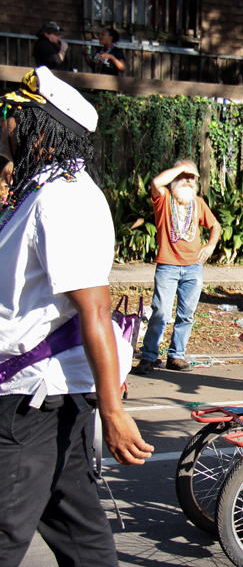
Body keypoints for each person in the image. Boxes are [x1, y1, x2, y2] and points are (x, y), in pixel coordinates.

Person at [0, 66, 153, 566]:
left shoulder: (63, 199)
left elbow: (95, 306)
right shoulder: (41, 192)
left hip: (33, 402)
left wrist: (113, 410)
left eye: (12, 114)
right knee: (81, 536)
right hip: (40, 399)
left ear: (41, 128)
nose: (4, 123)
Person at [135, 160, 221, 374]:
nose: (189, 180)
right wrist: (182, 169)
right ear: (175, 177)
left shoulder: (198, 203)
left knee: (187, 315)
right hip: (168, 267)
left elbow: (215, 226)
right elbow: (156, 182)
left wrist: (210, 246)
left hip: (193, 268)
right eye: (184, 176)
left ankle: (176, 356)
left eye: (192, 177)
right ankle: (149, 357)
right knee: (160, 313)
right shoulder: (164, 199)